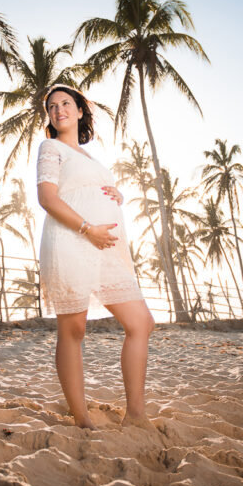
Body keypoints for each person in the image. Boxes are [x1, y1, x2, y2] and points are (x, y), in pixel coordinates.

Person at [35, 84, 155, 429]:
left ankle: (135, 415)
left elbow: (87, 189)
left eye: (66, 103)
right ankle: (82, 418)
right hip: (71, 241)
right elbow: (48, 198)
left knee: (141, 323)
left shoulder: (90, 157)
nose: (59, 110)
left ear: (80, 110)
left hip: (107, 249)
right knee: (73, 329)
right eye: (52, 106)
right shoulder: (50, 147)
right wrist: (88, 227)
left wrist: (115, 194)